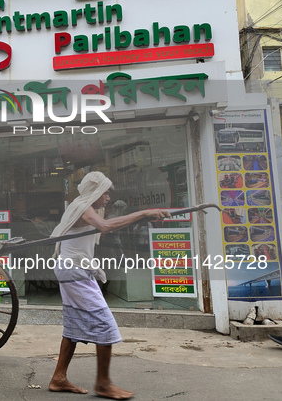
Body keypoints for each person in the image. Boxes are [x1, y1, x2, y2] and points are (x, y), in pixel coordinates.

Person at [48, 171, 170, 399]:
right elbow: (105, 226)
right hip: (74, 270)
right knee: (105, 323)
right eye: (104, 192)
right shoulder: (83, 207)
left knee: (74, 325)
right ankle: (103, 383)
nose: (107, 198)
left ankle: (58, 378)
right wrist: (144, 212)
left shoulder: (84, 207)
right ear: (94, 191)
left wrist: (145, 217)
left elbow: (111, 222)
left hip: (73, 268)